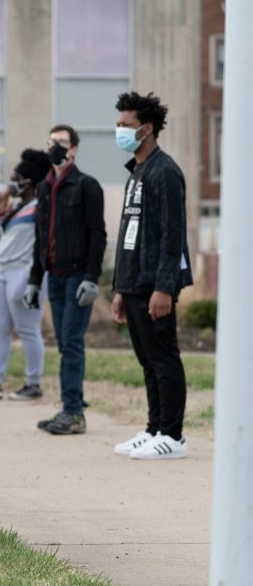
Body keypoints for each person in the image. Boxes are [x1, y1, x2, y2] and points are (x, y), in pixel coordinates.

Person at [111, 92, 193, 460]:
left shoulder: (165, 171)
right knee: (148, 361)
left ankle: (173, 435)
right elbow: (130, 232)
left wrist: (164, 287)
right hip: (133, 281)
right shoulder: (138, 171)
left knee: (163, 358)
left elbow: (172, 236)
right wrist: (118, 288)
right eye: (118, 125)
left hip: (154, 285)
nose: (120, 131)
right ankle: (154, 428)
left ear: (147, 128)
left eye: (126, 126)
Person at [25, 125, 106, 435]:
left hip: (77, 276)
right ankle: (72, 405)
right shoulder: (44, 188)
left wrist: (92, 278)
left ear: (73, 149)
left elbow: (98, 235)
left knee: (71, 343)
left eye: (60, 142)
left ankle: (73, 413)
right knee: (63, 342)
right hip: (54, 277)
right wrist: (35, 279)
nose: (54, 147)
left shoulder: (86, 186)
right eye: (50, 142)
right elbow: (40, 236)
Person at [0, 149, 51, 400]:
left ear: (28, 181)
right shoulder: (16, 208)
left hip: (25, 271)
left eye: (17, 177)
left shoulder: (42, 207)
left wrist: (34, 279)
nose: (12, 182)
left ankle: (33, 382)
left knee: (27, 328)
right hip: (3, 270)